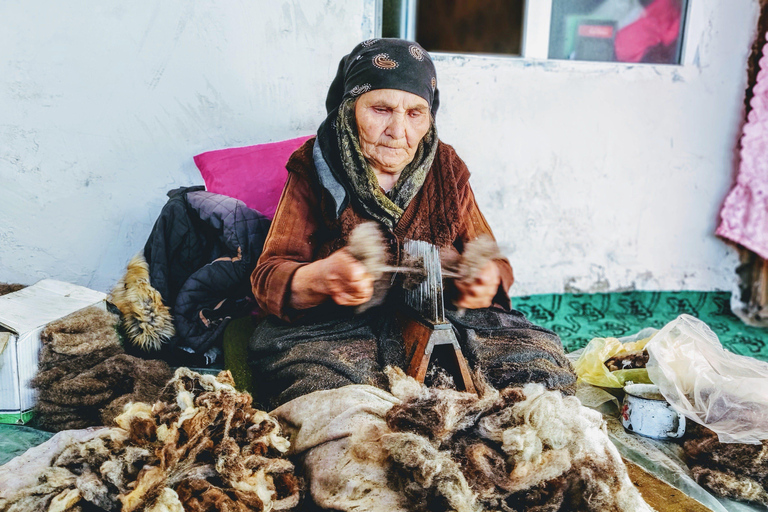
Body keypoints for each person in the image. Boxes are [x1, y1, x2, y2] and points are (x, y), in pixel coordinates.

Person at [249, 39, 575, 409]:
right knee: (339, 402)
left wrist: (484, 280)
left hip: (445, 319)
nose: (397, 129)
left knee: (537, 372)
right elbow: (267, 277)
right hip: (337, 330)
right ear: (349, 108)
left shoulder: (446, 167)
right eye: (381, 109)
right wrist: (320, 278)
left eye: (415, 113)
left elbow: (495, 265)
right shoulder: (316, 164)